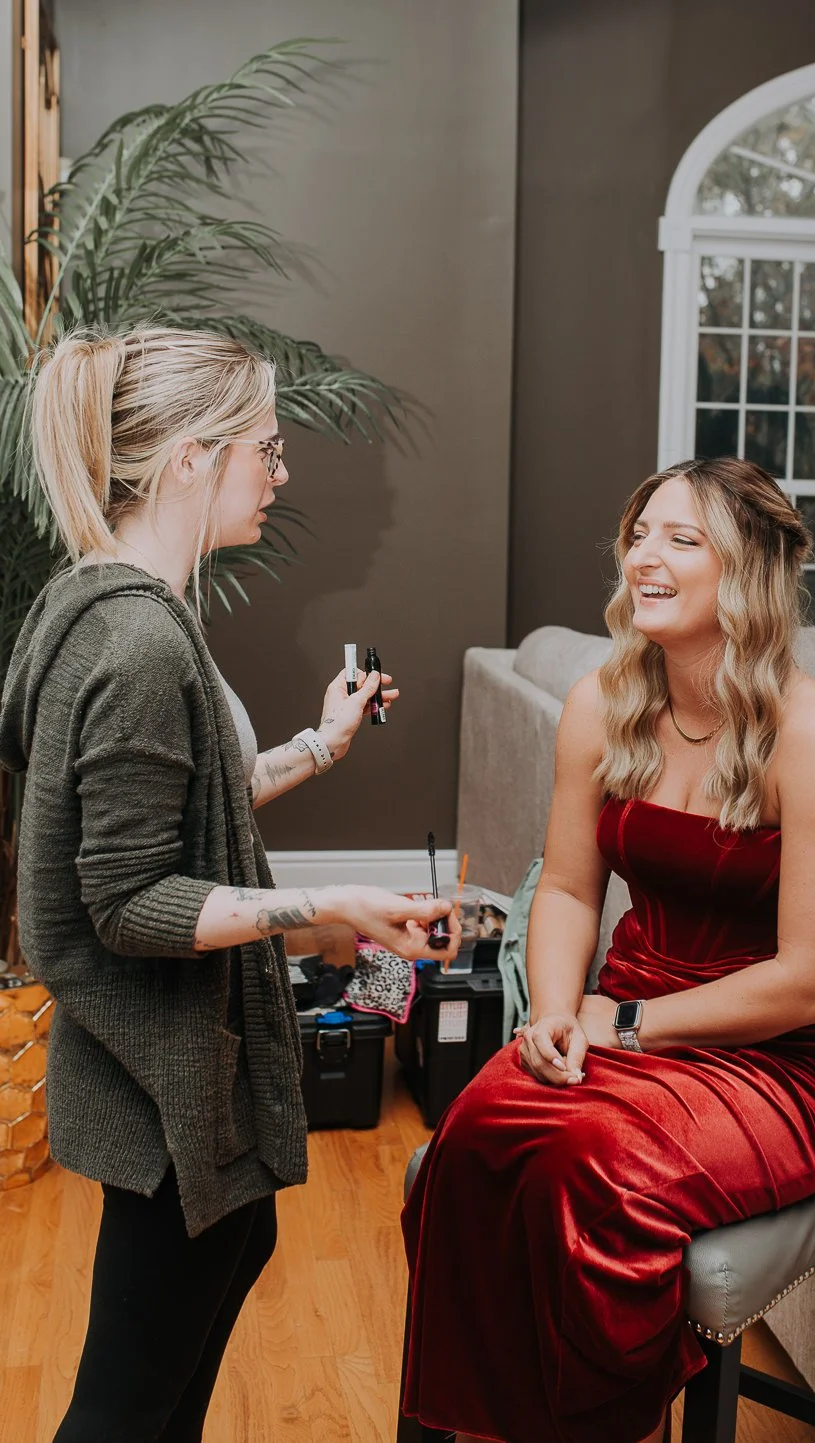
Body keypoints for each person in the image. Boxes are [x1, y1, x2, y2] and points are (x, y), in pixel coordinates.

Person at [0, 326, 458, 1443]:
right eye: (268, 447)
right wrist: (331, 911)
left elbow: (178, 812)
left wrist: (322, 743)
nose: (282, 473)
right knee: (123, 1409)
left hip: (158, 1076)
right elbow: (128, 897)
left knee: (179, 1350)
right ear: (191, 458)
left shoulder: (106, 603)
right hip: (160, 1083)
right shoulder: (139, 644)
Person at [400, 457, 815, 1443]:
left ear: (745, 572)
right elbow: (572, 887)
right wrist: (549, 1015)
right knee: (472, 1136)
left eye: (681, 539)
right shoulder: (601, 705)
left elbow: (812, 984)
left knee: (591, 1169)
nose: (644, 557)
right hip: (617, 1019)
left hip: (780, 1061)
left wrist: (617, 1024)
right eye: (640, 533)